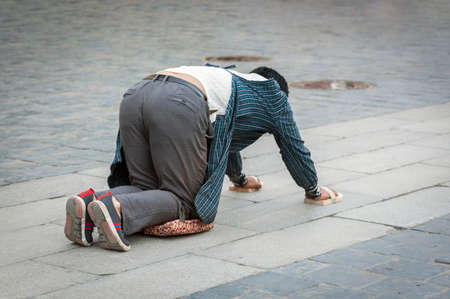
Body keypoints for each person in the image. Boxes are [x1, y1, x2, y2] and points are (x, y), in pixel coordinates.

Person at [64, 65, 341, 252]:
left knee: (146, 188)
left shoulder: (229, 80)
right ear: (280, 90)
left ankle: (88, 202)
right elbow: (295, 148)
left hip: (138, 93)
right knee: (182, 199)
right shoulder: (274, 95)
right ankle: (116, 208)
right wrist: (313, 190)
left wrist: (241, 180)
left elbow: (227, 140)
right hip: (178, 101)